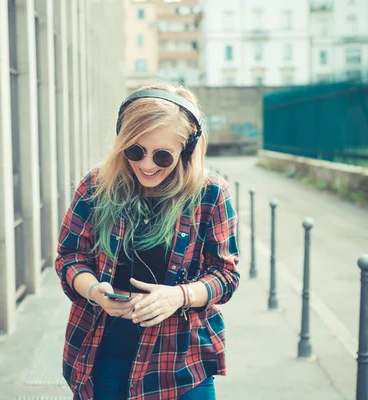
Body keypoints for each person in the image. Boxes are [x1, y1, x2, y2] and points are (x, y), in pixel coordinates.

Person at [55, 83, 240, 400]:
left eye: (163, 156)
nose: (147, 164)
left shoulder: (211, 194)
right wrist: (95, 292)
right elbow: (70, 257)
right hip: (104, 345)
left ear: (187, 151)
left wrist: (179, 296)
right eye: (135, 151)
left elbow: (226, 275)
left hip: (182, 357)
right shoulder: (96, 185)